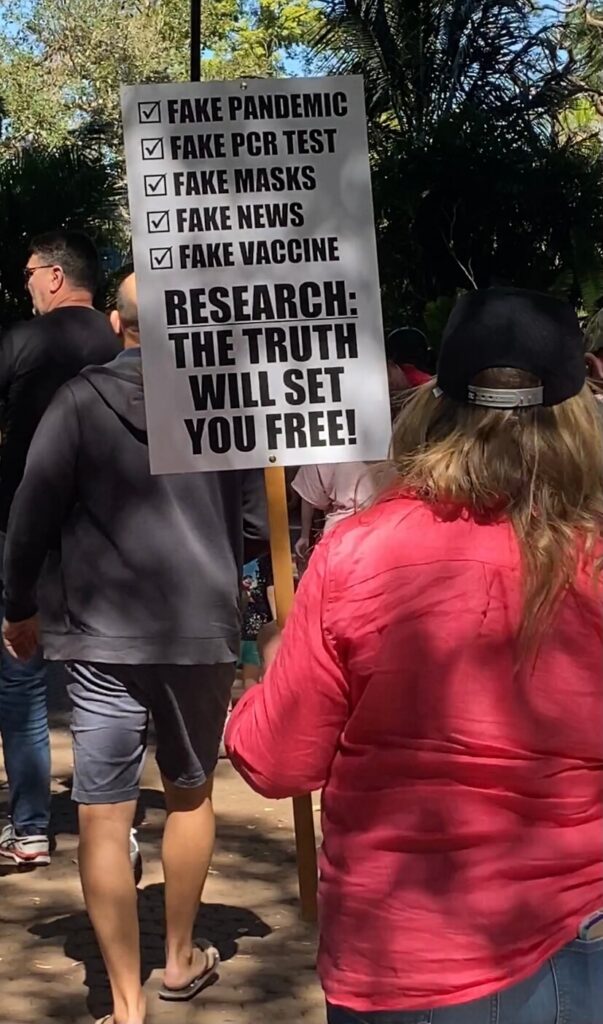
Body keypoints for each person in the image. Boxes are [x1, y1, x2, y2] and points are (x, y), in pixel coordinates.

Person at [227, 287, 603, 1024]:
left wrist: (270, 667)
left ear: (436, 405)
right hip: (578, 938)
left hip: (399, 960)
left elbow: (274, 761)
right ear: (577, 419)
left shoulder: (358, 555)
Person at [2, 271, 267, 1024]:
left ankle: (124, 1004)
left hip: (100, 634)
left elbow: (32, 512)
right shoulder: (223, 403)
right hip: (199, 628)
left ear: (118, 328)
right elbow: (254, 524)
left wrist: (19, 605)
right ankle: (179, 957)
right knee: (189, 793)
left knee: (102, 812)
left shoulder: (79, 401)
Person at [0, 229, 120, 867]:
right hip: (111, 534)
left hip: (26, 526)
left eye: (26, 273)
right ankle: (113, 823)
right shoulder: (125, 343)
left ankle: (29, 828)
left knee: (21, 675)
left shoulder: (23, 341)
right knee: (99, 677)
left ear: (52, 276)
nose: (26, 285)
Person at [292, 462, 375, 570]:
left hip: (340, 536)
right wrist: (304, 536)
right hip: (382, 522)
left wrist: (304, 536)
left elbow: (309, 496)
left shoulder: (320, 456)